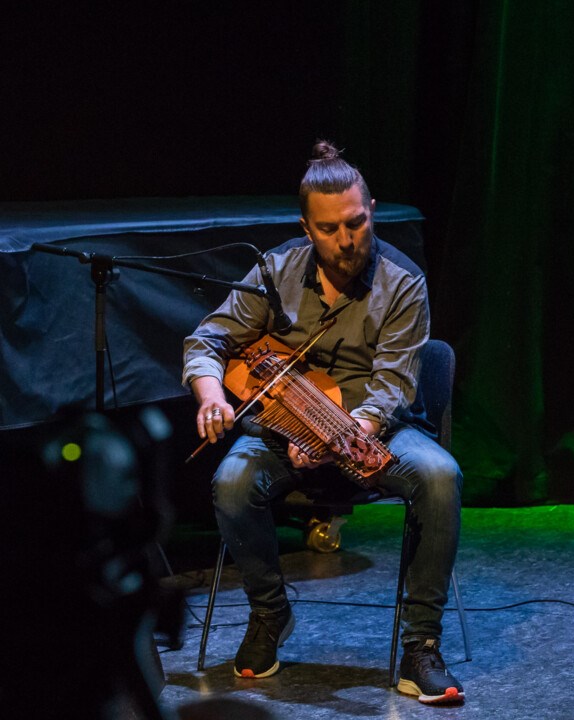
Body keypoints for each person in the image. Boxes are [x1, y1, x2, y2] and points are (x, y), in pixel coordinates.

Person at [182, 141, 465, 705]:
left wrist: (336, 437)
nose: (347, 240)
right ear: (307, 228)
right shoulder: (276, 270)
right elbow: (208, 338)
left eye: (357, 223)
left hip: (374, 428)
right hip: (278, 430)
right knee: (231, 483)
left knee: (439, 477)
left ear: (371, 210)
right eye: (330, 229)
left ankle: (420, 645)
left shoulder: (402, 282)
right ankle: (269, 614)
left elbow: (391, 388)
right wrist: (210, 394)